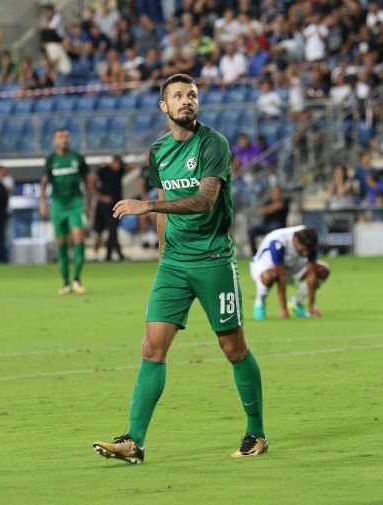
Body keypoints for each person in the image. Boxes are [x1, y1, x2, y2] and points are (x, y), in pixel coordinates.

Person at [93, 74, 267, 464]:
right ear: (164, 106)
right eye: (177, 96)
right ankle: (133, 442)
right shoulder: (158, 150)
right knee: (152, 348)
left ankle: (256, 432)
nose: (186, 100)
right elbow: (163, 204)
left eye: (191, 95)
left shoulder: (213, 144)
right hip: (173, 264)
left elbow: (204, 201)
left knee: (233, 347)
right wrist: (162, 256)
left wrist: (147, 206)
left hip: (213, 259)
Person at [39, 128, 91, 294]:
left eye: (66, 137)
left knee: (78, 236)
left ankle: (77, 278)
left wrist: (89, 204)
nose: (64, 140)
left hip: (75, 203)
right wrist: (42, 202)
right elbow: (44, 182)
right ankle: (65, 281)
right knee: (60, 242)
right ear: (54, 140)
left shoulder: (77, 158)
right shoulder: (51, 160)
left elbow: (87, 181)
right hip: (58, 204)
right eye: (61, 137)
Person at [249, 226, 328, 320]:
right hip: (267, 266)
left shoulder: (310, 239)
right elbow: (281, 279)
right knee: (269, 276)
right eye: (304, 249)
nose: (306, 253)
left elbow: (312, 274)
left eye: (308, 250)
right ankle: (260, 303)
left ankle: (295, 303)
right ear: (296, 240)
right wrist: (284, 309)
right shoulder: (278, 242)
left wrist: (311, 304)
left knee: (322, 271)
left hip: (292, 265)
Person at [92, 156, 126, 261]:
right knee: (103, 230)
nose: (118, 166)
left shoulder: (119, 171)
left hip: (115, 205)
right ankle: (102, 254)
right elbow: (91, 181)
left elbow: (131, 166)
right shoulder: (104, 170)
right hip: (104, 205)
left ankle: (109, 255)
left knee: (112, 230)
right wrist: (100, 197)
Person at [247, 186, 289, 255]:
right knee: (252, 230)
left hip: (279, 225)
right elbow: (262, 210)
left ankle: (273, 251)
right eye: (274, 193)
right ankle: (254, 253)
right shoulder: (268, 201)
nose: (276, 194)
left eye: (278, 193)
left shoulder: (285, 201)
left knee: (274, 227)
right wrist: (273, 207)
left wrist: (269, 208)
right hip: (266, 225)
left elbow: (279, 206)